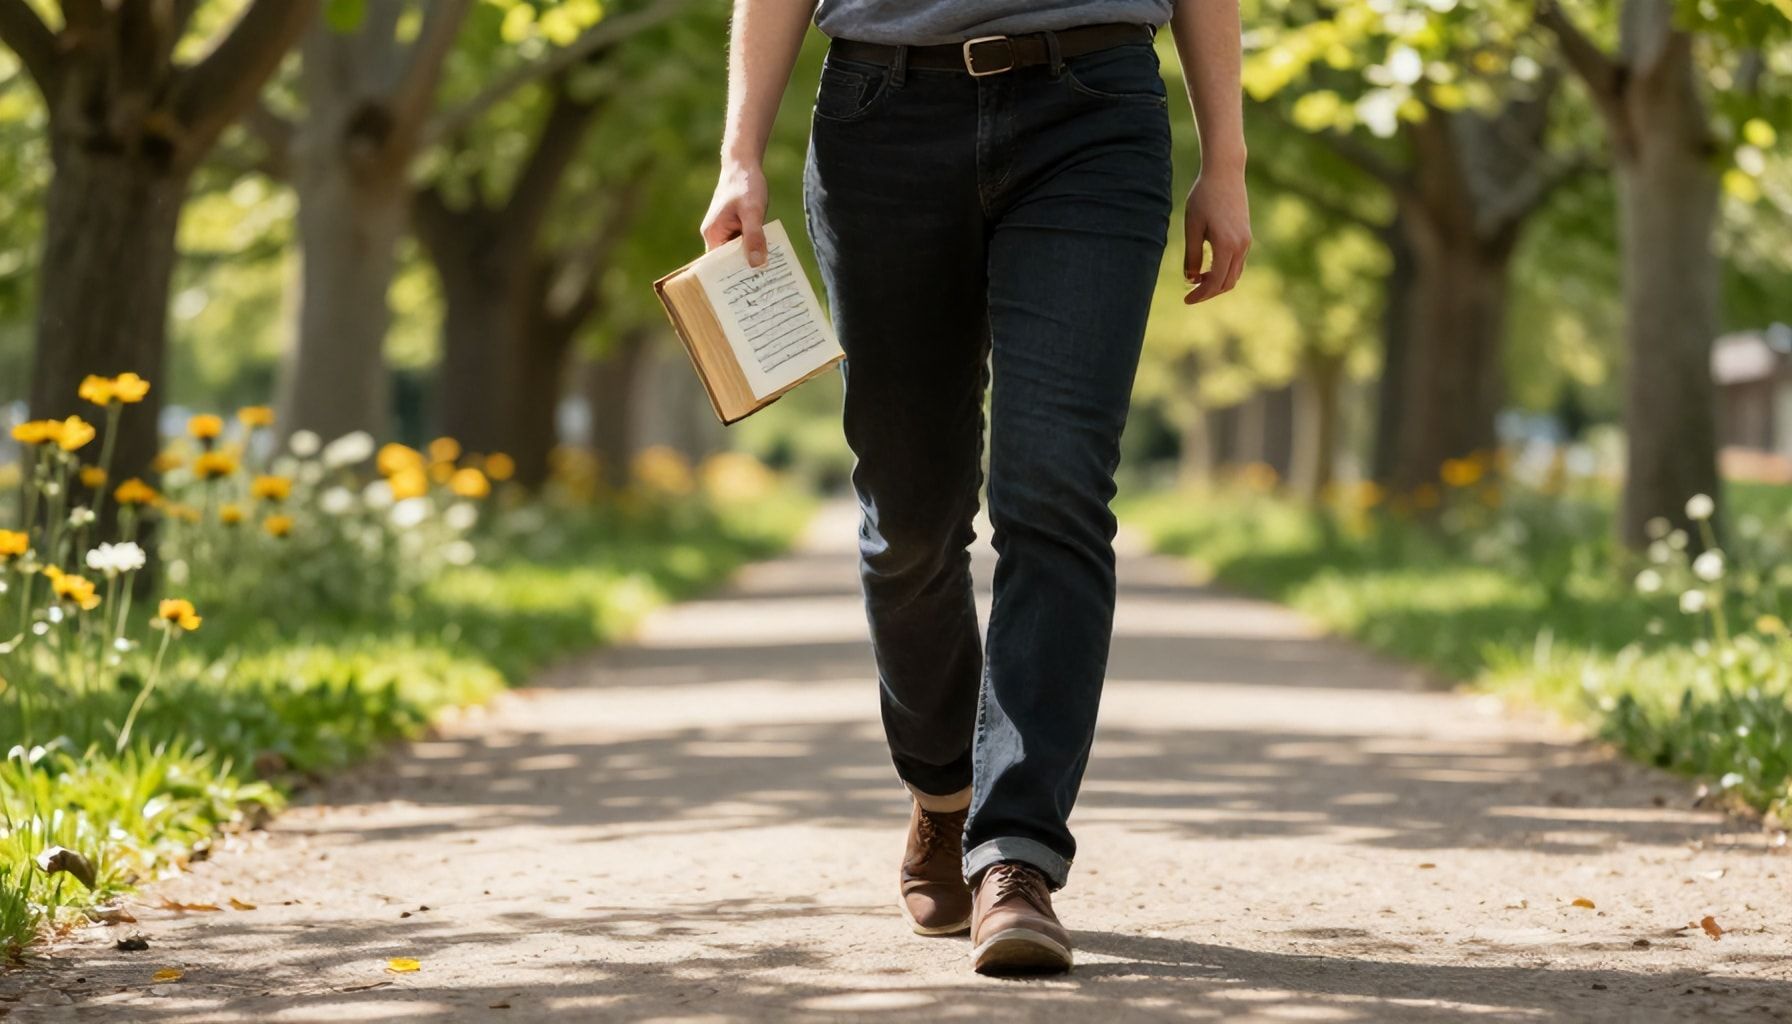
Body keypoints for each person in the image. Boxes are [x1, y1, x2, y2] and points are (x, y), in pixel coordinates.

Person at [701, 0, 1250, 976]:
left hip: (1093, 113)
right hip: (883, 116)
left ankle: (1016, 857)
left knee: (1055, 487)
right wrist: (738, 150)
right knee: (907, 519)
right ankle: (942, 790)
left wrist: (1227, 159)